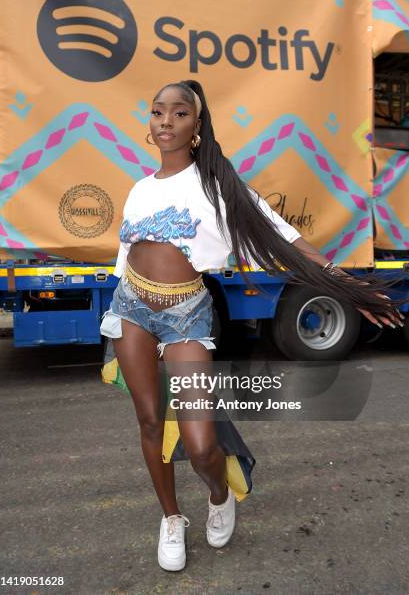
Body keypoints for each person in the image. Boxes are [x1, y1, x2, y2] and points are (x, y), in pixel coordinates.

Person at [100, 79, 406, 572]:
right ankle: (172, 518)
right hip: (130, 308)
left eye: (179, 114)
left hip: (185, 315)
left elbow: (287, 240)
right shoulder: (139, 189)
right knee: (151, 422)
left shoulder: (219, 188)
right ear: (149, 121)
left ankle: (219, 495)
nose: (166, 121)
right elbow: (126, 259)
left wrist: (349, 285)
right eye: (158, 111)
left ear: (197, 128)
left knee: (201, 444)